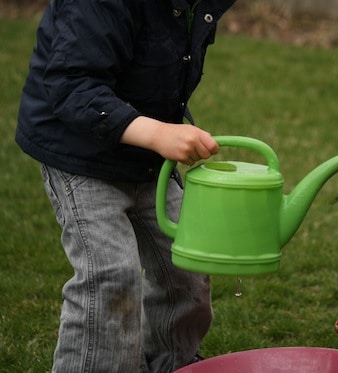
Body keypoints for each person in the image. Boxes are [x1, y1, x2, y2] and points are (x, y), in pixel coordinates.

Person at [15, 0, 236, 371]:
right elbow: (72, 86)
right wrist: (158, 132)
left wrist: (161, 133)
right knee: (111, 276)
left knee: (187, 265)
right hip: (79, 153)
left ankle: (173, 363)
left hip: (146, 155)